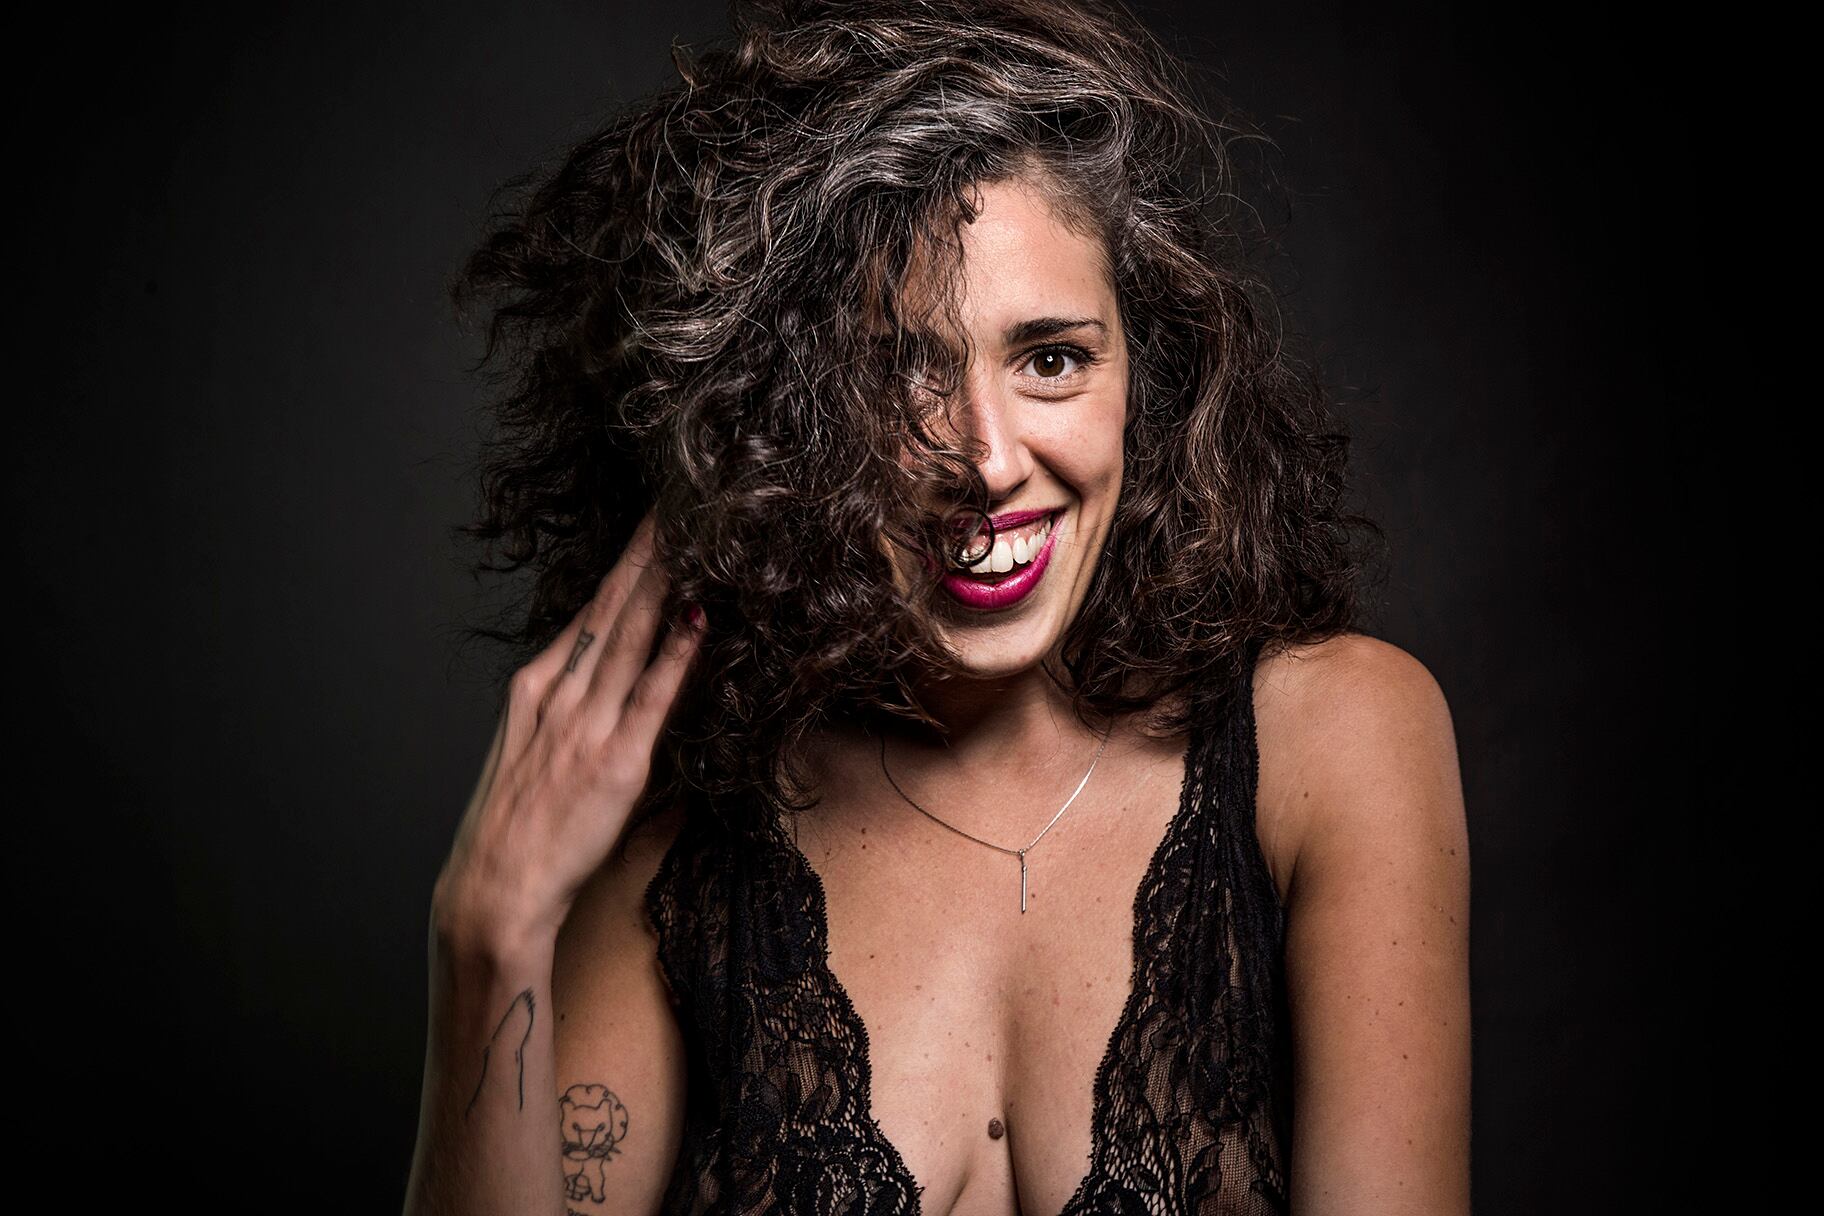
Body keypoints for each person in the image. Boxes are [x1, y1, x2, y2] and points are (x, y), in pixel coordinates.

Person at [402, 1, 1471, 1213]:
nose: (988, 459)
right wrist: (487, 934)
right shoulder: (680, 817)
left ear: (1148, 377)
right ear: (783, 419)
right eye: (896, 372)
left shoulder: (1337, 743)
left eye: (1052, 358)